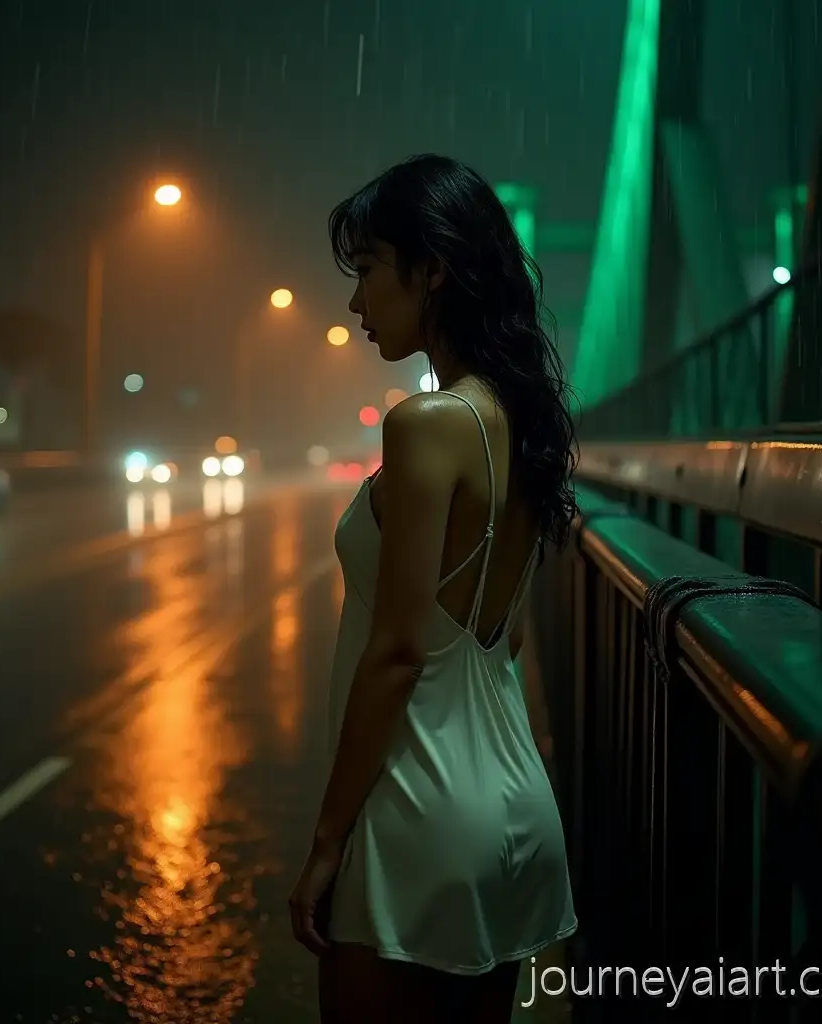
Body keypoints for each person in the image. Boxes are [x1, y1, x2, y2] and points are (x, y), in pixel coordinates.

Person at [289, 153, 579, 1023]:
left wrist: (327, 841)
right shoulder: (518, 421)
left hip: (416, 809)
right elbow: (510, 639)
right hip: (514, 807)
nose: (355, 301)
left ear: (433, 269)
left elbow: (400, 651)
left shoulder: (429, 426)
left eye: (370, 270)